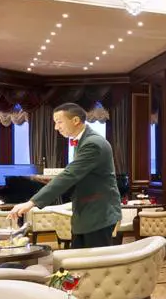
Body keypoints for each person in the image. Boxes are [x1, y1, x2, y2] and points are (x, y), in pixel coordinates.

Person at [11, 103, 121, 248]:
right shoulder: (82, 141)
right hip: (86, 213)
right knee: (78, 263)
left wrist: (31, 203)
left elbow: (70, 175)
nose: (56, 127)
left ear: (75, 120)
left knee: (95, 265)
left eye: (59, 122)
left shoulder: (93, 143)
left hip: (98, 213)